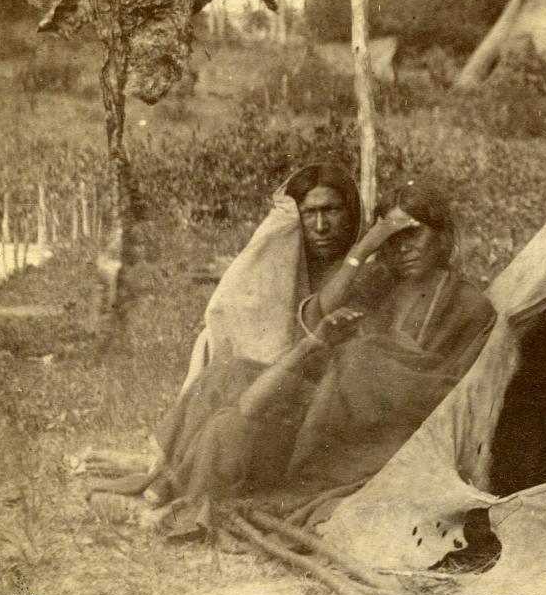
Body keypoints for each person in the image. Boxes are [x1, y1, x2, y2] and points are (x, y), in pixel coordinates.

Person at [147, 179, 496, 523]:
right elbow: (315, 318)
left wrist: (361, 359)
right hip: (328, 402)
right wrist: (361, 252)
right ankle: (168, 474)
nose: (403, 248)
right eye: (393, 240)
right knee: (229, 372)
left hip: (366, 431)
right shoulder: (381, 281)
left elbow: (445, 389)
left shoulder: (467, 304)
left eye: (413, 234)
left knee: (243, 418)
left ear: (443, 236)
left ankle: (183, 483)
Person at [88, 163, 362, 500]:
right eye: (309, 213)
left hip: (322, 407)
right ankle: (169, 469)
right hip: (277, 391)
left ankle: (171, 476)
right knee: (225, 367)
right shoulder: (284, 265)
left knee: (234, 378)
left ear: (351, 212)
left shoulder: (358, 269)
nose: (321, 226)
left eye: (332, 210)